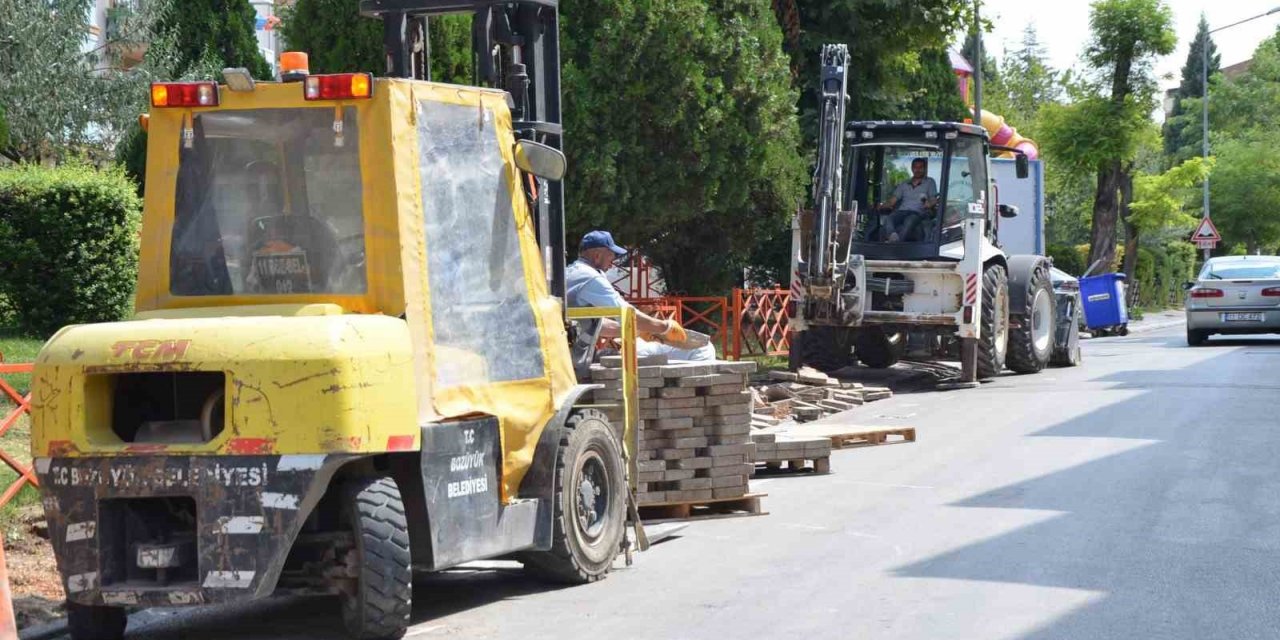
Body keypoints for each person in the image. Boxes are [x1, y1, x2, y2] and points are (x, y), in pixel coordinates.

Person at [565, 230, 716, 361]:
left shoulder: (572, 272)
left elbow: (593, 324)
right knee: (703, 348)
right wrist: (665, 328)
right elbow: (627, 313)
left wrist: (640, 330)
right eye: (611, 256)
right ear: (597, 255)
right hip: (580, 358)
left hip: (576, 356)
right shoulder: (591, 278)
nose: (612, 263)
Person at [878, 157, 938, 242]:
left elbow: (934, 199)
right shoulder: (904, 184)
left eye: (920, 167)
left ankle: (896, 244)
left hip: (918, 213)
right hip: (902, 211)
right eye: (915, 167)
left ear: (924, 169)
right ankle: (893, 236)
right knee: (889, 218)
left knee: (909, 221)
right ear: (912, 168)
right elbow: (892, 201)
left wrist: (929, 204)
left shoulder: (930, 182)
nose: (918, 170)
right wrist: (881, 206)